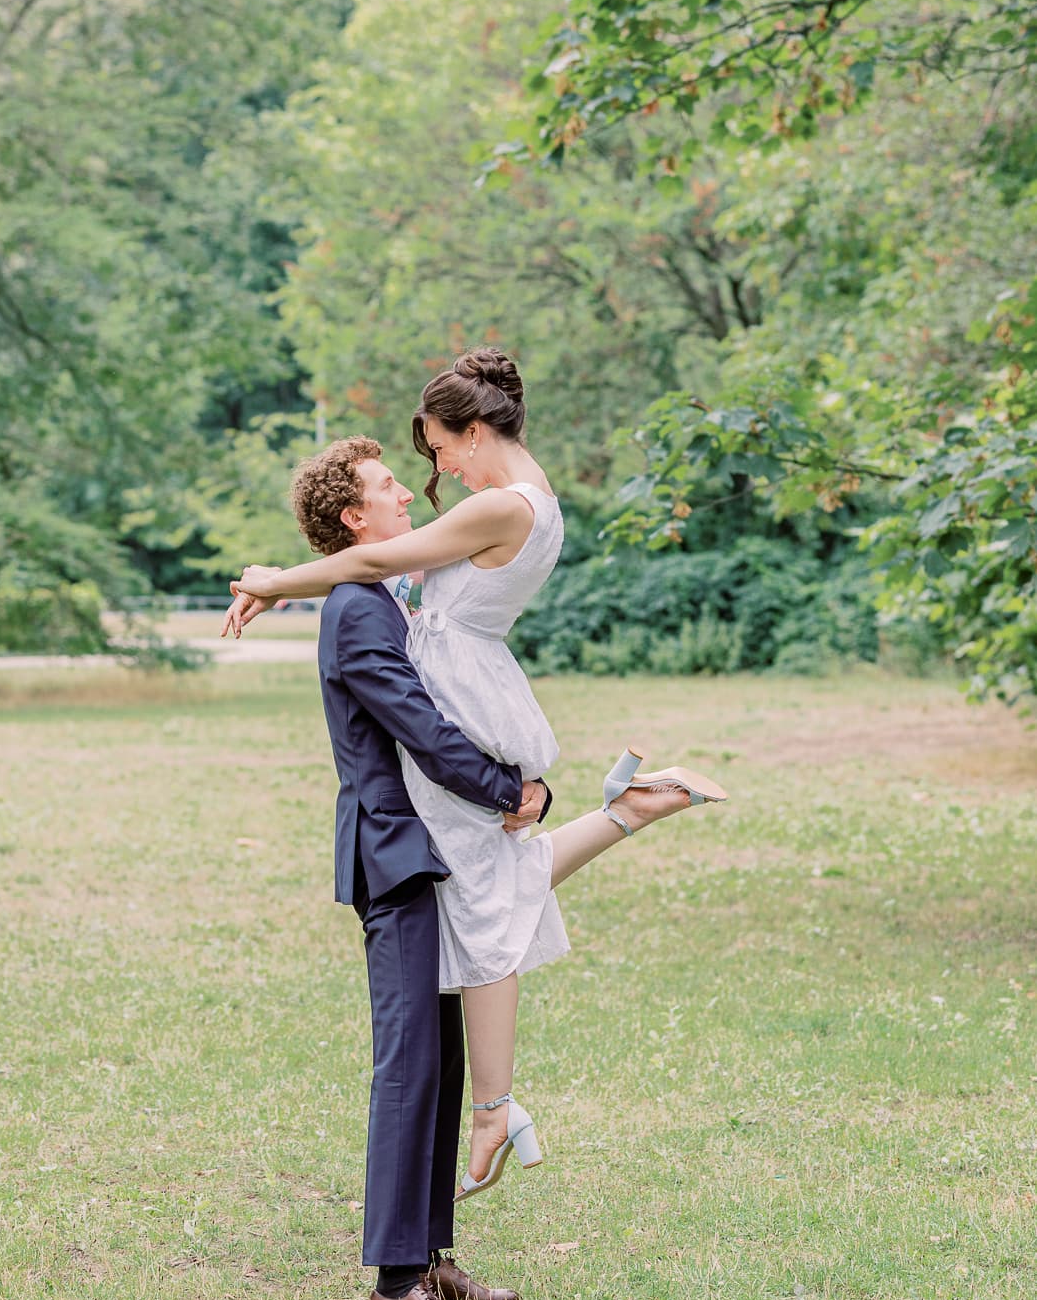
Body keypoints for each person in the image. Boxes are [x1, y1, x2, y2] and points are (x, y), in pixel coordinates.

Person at [225, 348, 727, 1204]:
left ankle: (493, 1106)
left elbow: (366, 563)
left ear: (475, 428)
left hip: (458, 690)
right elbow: (378, 558)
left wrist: (275, 581)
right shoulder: (535, 501)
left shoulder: (500, 502)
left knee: (490, 898)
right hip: (476, 683)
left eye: (440, 449)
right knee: (498, 878)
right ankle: (626, 814)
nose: (438, 470)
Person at [268, 435, 553, 1300]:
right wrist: (509, 790)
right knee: (410, 1067)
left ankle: (431, 1257)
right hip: (396, 854)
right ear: (355, 517)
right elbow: (424, 730)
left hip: (435, 849)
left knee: (442, 1059)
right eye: (390, 486)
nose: (406, 494)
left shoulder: (384, 592)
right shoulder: (356, 607)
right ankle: (394, 1284)